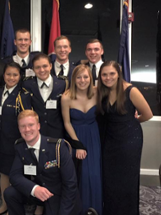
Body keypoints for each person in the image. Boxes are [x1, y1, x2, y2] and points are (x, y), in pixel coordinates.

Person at [96, 61, 153, 215]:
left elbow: (148, 114)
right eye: (104, 74)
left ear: (118, 74)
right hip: (110, 140)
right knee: (110, 180)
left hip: (129, 140)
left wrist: (132, 122)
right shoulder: (102, 91)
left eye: (112, 74)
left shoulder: (130, 90)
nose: (108, 77)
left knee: (127, 181)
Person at [4, 110, 79, 215]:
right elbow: (14, 175)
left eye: (31, 125)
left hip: (58, 195)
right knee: (10, 193)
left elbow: (70, 184)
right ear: (19, 129)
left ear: (38, 126)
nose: (27, 129)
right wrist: (34, 189)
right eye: (23, 126)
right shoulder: (20, 146)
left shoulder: (58, 147)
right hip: (38, 193)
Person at [0, 62, 33, 215]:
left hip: (15, 142)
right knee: (3, 174)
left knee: (15, 176)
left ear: (20, 76)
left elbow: (27, 121)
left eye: (15, 75)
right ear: (4, 75)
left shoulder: (23, 95)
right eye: (8, 74)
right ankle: (4, 204)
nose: (11, 77)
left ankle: (14, 207)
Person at [62, 64, 102, 214]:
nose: (82, 80)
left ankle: (96, 209)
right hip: (76, 137)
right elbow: (66, 123)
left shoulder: (97, 93)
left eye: (85, 77)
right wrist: (78, 144)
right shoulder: (66, 97)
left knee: (95, 174)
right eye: (78, 77)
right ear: (73, 79)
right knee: (82, 176)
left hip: (94, 136)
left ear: (90, 78)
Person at [23, 53, 68, 138]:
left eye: (45, 66)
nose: (42, 70)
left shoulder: (62, 84)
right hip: (35, 134)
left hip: (57, 133)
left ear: (50, 66)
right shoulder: (27, 85)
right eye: (37, 67)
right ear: (33, 69)